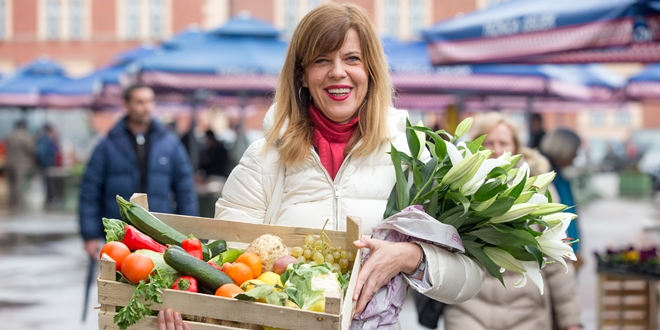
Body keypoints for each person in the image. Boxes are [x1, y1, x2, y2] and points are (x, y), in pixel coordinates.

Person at [158, 3, 485, 329]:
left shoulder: (414, 159)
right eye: (321, 60)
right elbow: (223, 270)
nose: (338, 72)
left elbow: (469, 278)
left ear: (370, 69)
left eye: (352, 58)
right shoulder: (263, 159)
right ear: (302, 73)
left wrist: (412, 258)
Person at [442, 112, 582, 330]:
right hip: (468, 312)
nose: (497, 150)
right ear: (475, 146)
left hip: (526, 314)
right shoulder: (455, 189)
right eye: (488, 142)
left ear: (516, 148)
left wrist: (570, 322)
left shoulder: (539, 190)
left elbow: (556, 263)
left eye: (503, 143)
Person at [79, 84, 199, 260]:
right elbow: (90, 191)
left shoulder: (170, 144)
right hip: (120, 234)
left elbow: (185, 191)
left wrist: (189, 234)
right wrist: (89, 235)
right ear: (126, 105)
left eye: (150, 101)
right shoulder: (108, 145)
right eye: (140, 102)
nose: (147, 107)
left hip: (160, 233)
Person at [539, 127, 584, 272]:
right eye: (574, 150)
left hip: (566, 253)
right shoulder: (547, 177)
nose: (576, 155)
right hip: (557, 257)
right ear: (563, 149)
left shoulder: (561, 175)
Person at [5, 119, 34, 212]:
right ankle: (18, 202)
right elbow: (31, 149)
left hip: (9, 162)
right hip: (19, 163)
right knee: (18, 183)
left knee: (11, 183)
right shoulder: (24, 136)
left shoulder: (11, 135)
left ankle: (12, 201)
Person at [35, 124, 61, 208]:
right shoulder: (45, 139)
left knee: (50, 183)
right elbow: (41, 153)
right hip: (47, 165)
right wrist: (47, 162)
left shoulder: (46, 139)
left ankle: (50, 200)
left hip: (48, 164)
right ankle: (50, 200)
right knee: (49, 183)